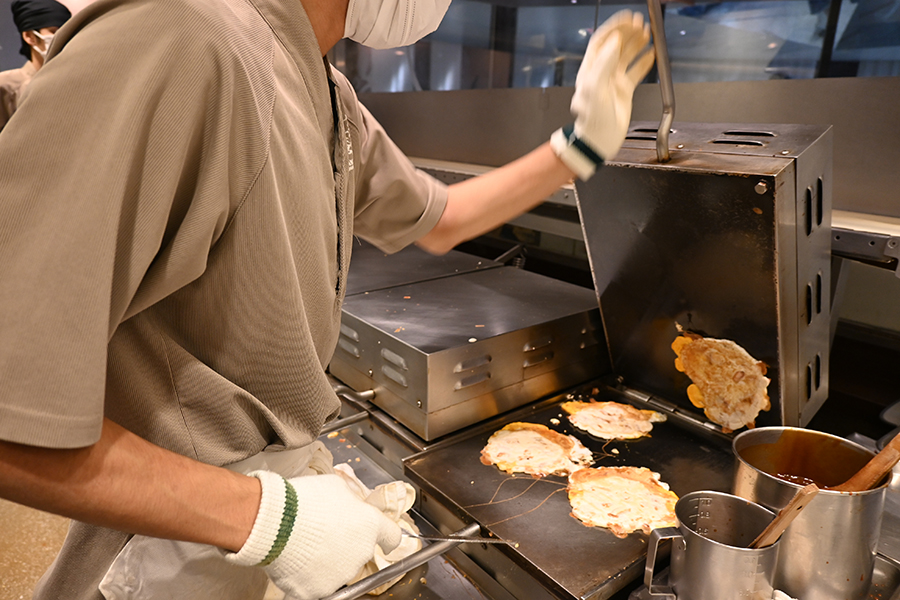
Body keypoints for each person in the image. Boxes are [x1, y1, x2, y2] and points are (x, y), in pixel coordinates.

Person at [0, 0, 654, 598]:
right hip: (168, 531)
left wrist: (579, 147)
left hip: (239, 515)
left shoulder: (325, 90)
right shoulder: (181, 35)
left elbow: (443, 218)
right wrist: (270, 519)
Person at [0, 0, 71, 129]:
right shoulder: (6, 87)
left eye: (66, 32)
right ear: (29, 36)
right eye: (53, 31)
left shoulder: (74, 83)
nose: (62, 38)